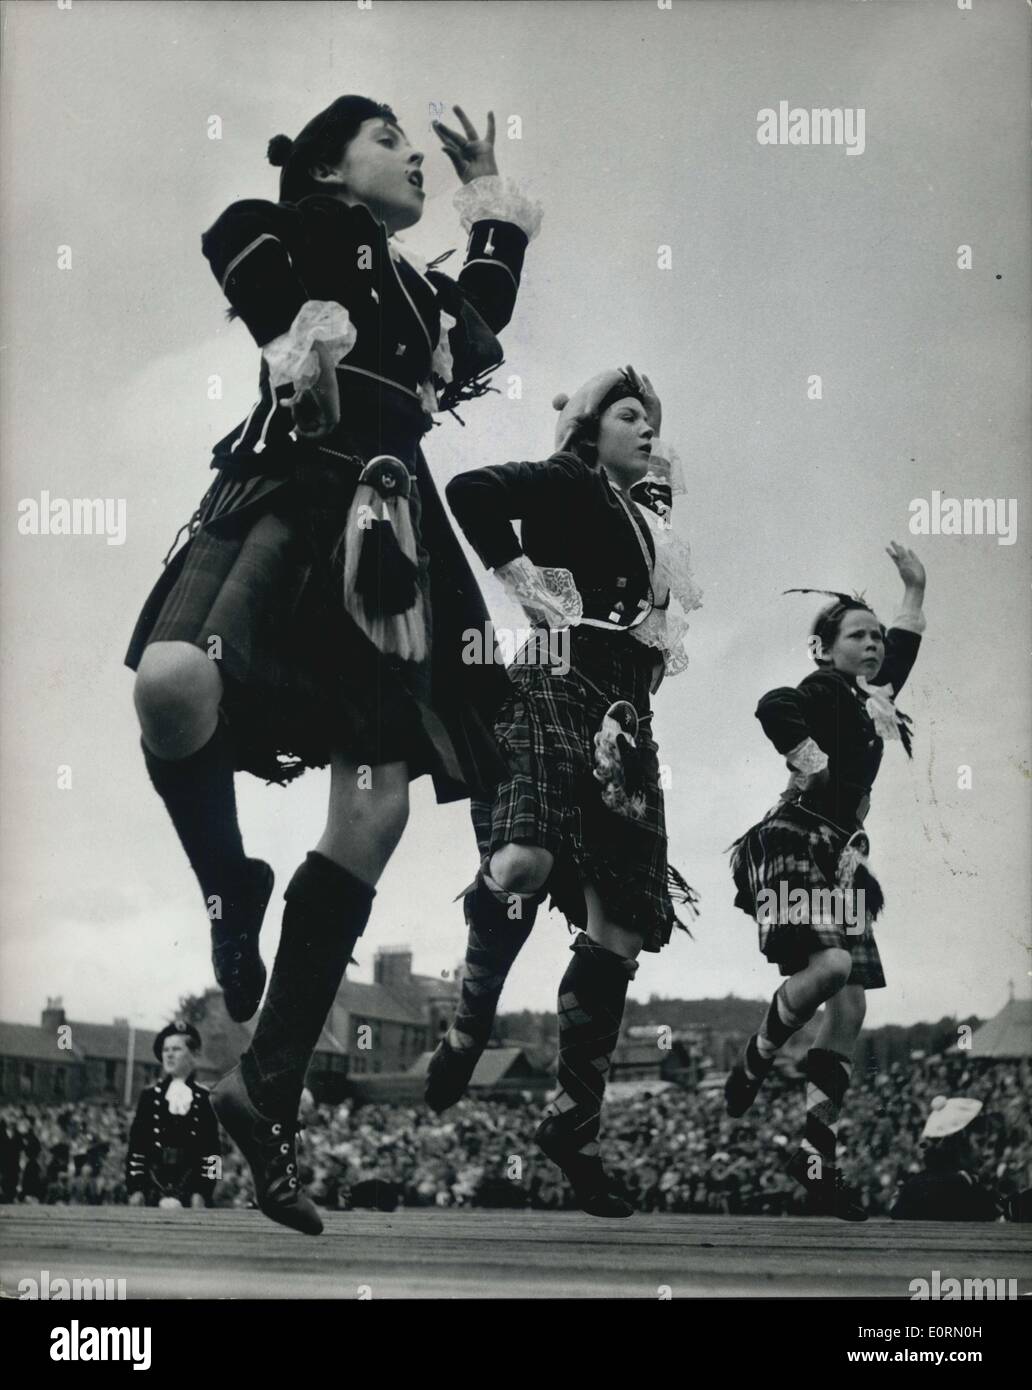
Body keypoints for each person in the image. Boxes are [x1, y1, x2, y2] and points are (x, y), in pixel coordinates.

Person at [125, 95, 541, 1236]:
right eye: (390, 141)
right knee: (172, 686)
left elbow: (484, 315)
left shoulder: (414, 287)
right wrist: (292, 328)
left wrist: (490, 201)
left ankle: (264, 1085)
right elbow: (234, 233)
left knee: (374, 807)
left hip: (390, 538)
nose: (414, 155)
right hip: (294, 495)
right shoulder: (317, 226)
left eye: (416, 146)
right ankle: (231, 888)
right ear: (331, 167)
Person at [427, 367, 701, 1216]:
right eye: (631, 416)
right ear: (591, 430)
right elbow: (468, 490)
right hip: (550, 683)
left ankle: (573, 1129)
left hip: (620, 719)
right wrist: (522, 579)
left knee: (616, 931)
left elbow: (652, 637)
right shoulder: (569, 478)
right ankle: (470, 1023)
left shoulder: (650, 525)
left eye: (653, 420)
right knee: (518, 866)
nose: (648, 430)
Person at [726, 544, 927, 1220]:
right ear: (824, 649)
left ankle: (818, 1165)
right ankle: (757, 1053)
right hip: (795, 837)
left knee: (849, 1010)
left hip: (837, 850)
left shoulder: (873, 694)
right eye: (857, 636)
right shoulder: (820, 689)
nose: (873, 646)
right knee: (835, 966)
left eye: (875, 637)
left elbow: (900, 653)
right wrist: (809, 762)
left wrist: (915, 595)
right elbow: (771, 703)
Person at [126, 1021, 220, 1210]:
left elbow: (213, 1153)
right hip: (152, 1189)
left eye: (176, 1049)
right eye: (165, 1049)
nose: (169, 1054)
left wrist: (203, 1193)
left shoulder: (205, 1098)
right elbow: (136, 1148)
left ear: (193, 1055)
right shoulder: (149, 1096)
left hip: (192, 1193)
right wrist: (135, 1189)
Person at [890, 1096, 1001, 1222]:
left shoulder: (912, 1185)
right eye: (980, 1143)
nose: (986, 1153)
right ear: (959, 1142)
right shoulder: (963, 1188)